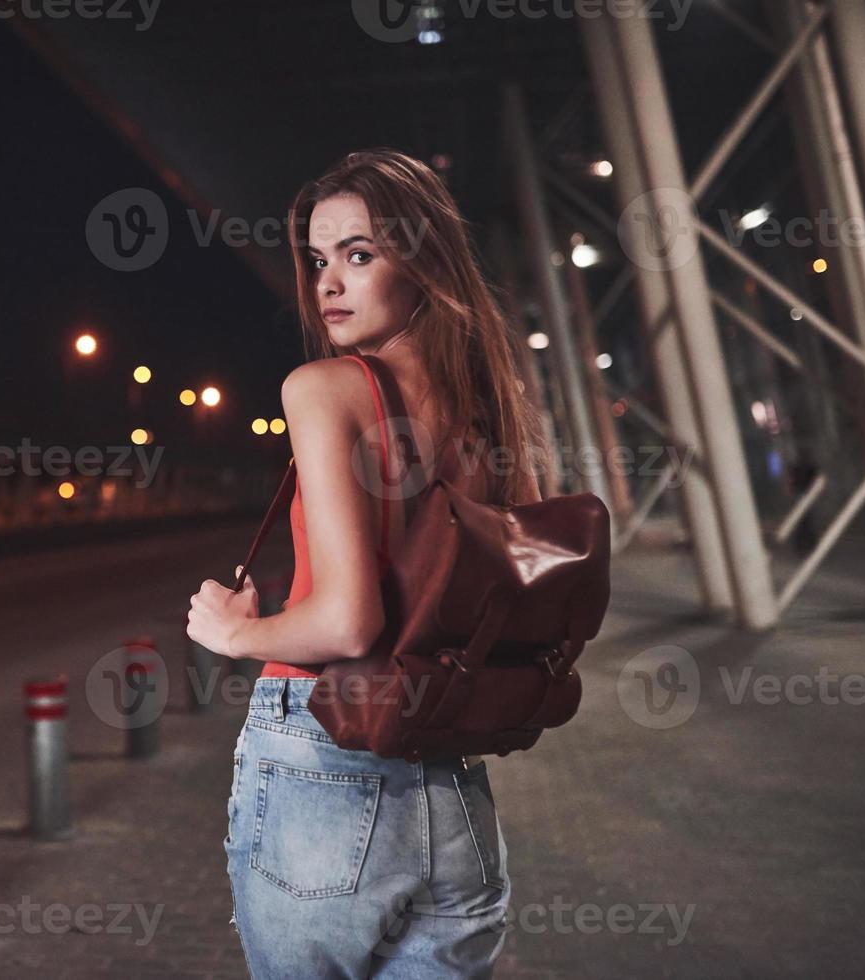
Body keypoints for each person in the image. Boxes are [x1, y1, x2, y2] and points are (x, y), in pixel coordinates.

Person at [186, 147, 546, 978]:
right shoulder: (487, 407)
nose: (329, 284)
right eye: (318, 260)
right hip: (451, 787)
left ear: (422, 263)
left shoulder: (324, 388)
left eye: (360, 254)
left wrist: (234, 634)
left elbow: (349, 620)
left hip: (323, 758)